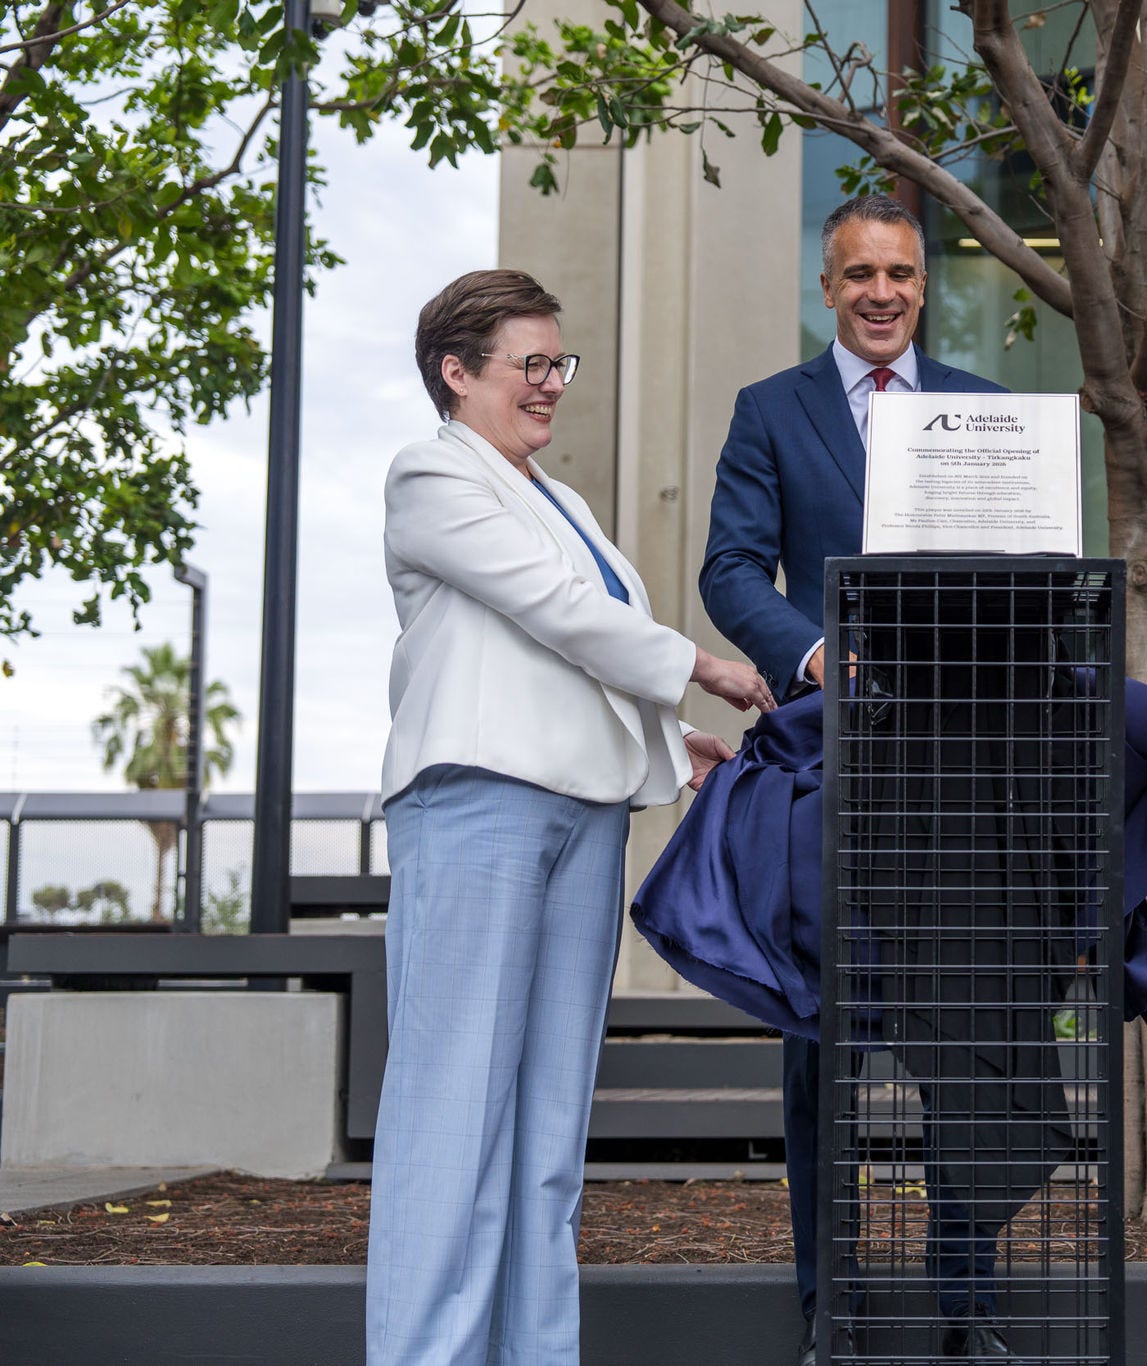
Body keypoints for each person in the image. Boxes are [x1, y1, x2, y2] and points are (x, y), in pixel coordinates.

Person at [369, 268, 773, 1365]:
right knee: (452, 1118)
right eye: (530, 363)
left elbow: (571, 649)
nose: (551, 382)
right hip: (478, 806)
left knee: (547, 1136)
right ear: (458, 373)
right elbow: (549, 610)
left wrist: (666, 741)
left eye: (560, 362)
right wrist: (700, 668)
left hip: (584, 815)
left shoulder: (562, 500)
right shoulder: (430, 474)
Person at [698, 194, 1008, 1363]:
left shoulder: (984, 412)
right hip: (829, 774)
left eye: (900, 273)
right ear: (825, 287)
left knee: (966, 1045)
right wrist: (814, 651)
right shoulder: (769, 411)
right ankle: (829, 1306)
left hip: (963, 774)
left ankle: (965, 1307)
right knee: (821, 1051)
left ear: (924, 285)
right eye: (858, 274)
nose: (881, 292)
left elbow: (1027, 563)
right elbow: (731, 568)